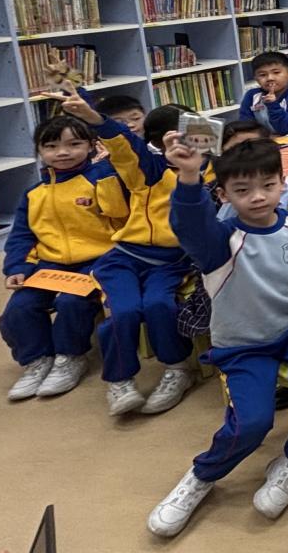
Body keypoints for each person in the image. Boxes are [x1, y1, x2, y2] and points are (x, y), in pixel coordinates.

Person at [148, 138, 288, 538]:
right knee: (252, 421)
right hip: (243, 343)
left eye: (268, 186)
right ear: (223, 195)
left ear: (283, 184)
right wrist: (188, 175)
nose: (258, 197)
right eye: (242, 190)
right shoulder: (218, 241)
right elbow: (189, 223)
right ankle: (202, 476)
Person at [60, 90, 197, 418]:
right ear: (159, 142)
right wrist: (94, 118)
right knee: (124, 311)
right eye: (175, 137)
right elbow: (124, 146)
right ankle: (120, 380)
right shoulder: (150, 168)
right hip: (125, 257)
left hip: (171, 262)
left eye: (193, 133)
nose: (185, 143)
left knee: (160, 305)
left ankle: (177, 369)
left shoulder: (205, 171)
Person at [0, 114, 125, 401]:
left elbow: (120, 214)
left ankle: (70, 357)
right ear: (39, 151)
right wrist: (17, 267)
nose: (63, 152)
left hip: (98, 260)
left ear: (91, 145)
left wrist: (105, 169)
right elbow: (22, 235)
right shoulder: (34, 194)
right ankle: (37, 360)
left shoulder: (102, 179)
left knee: (71, 302)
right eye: (51, 146)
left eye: (74, 144)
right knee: (19, 309)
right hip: (50, 264)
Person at [237, 50, 288, 134]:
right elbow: (246, 125)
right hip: (263, 139)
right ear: (256, 79)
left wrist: (273, 105)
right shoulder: (252, 96)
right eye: (262, 75)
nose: (270, 78)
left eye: (276, 72)